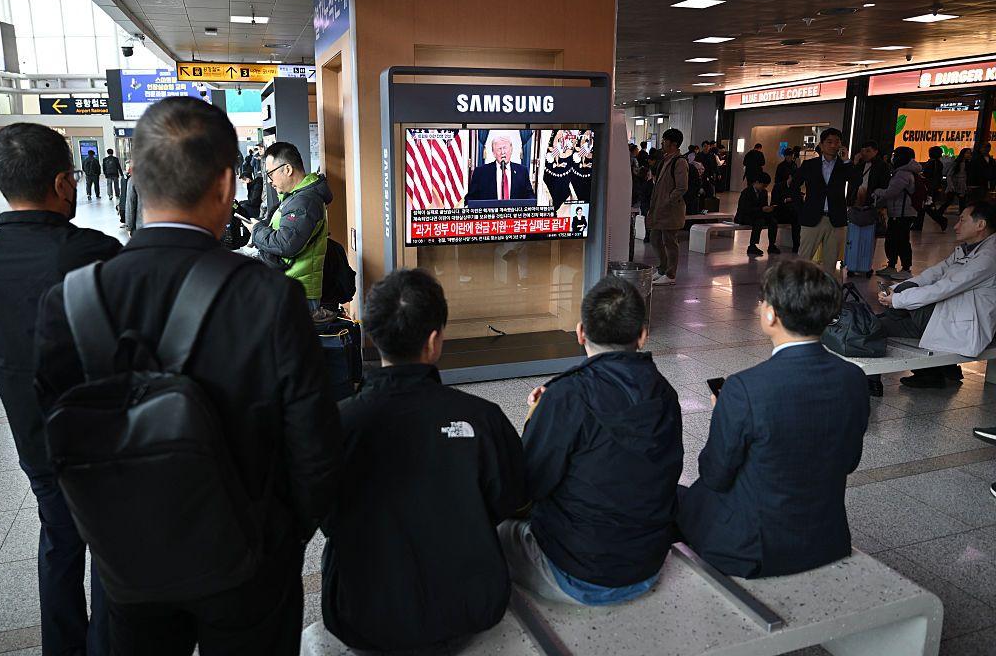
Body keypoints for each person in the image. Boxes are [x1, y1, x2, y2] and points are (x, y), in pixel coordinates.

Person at [33, 97, 342, 655]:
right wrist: (281, 541)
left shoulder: (70, 303)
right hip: (247, 564)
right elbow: (315, 450)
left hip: (127, 565)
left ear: (139, 180)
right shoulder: (268, 299)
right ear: (226, 185)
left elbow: (52, 440)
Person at [0, 123, 123, 656]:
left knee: (58, 537)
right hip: (100, 435)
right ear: (63, 182)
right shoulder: (95, 252)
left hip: (32, 433)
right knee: (108, 546)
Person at [322, 268, 524, 651]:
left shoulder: (336, 424)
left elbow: (323, 513)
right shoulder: (483, 418)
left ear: (374, 337)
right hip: (468, 609)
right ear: (434, 341)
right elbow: (509, 499)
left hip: (357, 614)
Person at [677, 260, 869, 578]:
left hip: (756, 552)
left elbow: (715, 474)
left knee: (678, 499)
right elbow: (849, 461)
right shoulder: (853, 378)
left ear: (770, 315)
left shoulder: (744, 389)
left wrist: (726, 413)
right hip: (827, 540)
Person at [499, 275, 683, 604]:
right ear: (642, 335)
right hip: (648, 564)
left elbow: (527, 485)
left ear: (580, 332)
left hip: (577, 574)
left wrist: (537, 416)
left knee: (492, 530)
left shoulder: (566, 395)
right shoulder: (665, 392)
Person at [874, 201, 996, 392]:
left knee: (888, 318)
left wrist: (898, 299)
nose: (955, 225)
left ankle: (933, 371)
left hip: (966, 323)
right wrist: (899, 289)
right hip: (949, 312)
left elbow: (945, 287)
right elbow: (933, 274)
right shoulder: (967, 249)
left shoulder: (989, 257)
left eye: (962, 220)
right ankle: (933, 372)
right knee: (884, 318)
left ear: (980, 225)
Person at [246, 141, 333, 313]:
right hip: (292, 286)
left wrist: (256, 231)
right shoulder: (295, 197)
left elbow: (286, 244)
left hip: (299, 292)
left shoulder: (305, 201)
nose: (269, 181)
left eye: (270, 174)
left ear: (287, 169)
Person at [795, 128, 855, 280]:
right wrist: (801, 207)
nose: (833, 145)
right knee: (804, 258)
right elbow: (793, 185)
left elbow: (856, 181)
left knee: (831, 261)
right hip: (812, 217)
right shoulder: (810, 165)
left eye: (837, 142)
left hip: (836, 219)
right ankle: (797, 292)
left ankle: (827, 295)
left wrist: (847, 160)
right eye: (829, 142)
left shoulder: (844, 166)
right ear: (821, 145)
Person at [873, 147, 922, 281]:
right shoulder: (902, 172)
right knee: (892, 239)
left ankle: (906, 268)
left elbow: (891, 192)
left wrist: (877, 192)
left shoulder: (903, 173)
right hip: (898, 212)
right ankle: (891, 265)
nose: (893, 158)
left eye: (895, 155)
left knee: (901, 240)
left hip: (903, 213)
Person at [647, 128, 688, 286]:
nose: (662, 143)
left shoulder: (680, 162)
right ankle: (663, 268)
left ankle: (671, 274)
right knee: (655, 238)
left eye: (665, 140)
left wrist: (668, 200)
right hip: (660, 208)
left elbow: (682, 187)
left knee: (670, 241)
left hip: (670, 209)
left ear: (673, 143)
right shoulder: (665, 159)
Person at [466, 134, 535, 201]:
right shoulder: (480, 172)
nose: (503, 152)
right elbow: (470, 198)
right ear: (493, 153)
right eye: (499, 149)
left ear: (511, 150)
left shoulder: (522, 171)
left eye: (505, 148)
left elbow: (530, 196)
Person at [736, 172, 778, 257]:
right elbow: (745, 209)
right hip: (745, 216)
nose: (764, 188)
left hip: (758, 214)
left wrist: (768, 209)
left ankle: (772, 245)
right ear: (757, 182)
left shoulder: (764, 192)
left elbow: (763, 206)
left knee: (773, 221)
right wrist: (761, 209)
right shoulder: (746, 192)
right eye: (763, 185)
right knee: (759, 221)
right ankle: (752, 245)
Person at [913, 146, 949, 232]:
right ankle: (918, 225)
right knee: (925, 207)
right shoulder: (938, 163)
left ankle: (941, 220)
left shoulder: (932, 163)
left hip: (928, 188)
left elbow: (927, 175)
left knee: (925, 207)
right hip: (933, 188)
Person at [771, 171, 803, 253]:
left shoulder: (795, 188)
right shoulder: (778, 186)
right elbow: (774, 201)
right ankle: (772, 245)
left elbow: (798, 201)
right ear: (789, 177)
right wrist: (786, 200)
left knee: (796, 218)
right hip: (779, 212)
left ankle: (796, 245)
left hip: (790, 213)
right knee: (795, 216)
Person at [940, 148, 972, 215]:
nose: (969, 155)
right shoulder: (957, 163)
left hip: (962, 184)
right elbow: (949, 175)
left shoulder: (967, 163)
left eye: (969, 153)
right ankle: (939, 212)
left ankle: (961, 213)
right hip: (955, 184)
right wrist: (950, 185)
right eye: (967, 153)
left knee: (961, 201)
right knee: (950, 200)